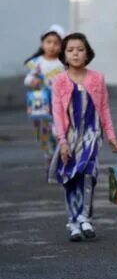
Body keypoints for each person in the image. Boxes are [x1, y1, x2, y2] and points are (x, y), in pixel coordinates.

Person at [49, 33, 117, 242]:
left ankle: (85, 216)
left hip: (91, 136)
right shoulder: (59, 81)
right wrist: (62, 142)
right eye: (70, 50)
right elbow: (57, 114)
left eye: (80, 49)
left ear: (87, 53)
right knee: (71, 179)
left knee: (89, 173)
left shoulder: (97, 78)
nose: (75, 53)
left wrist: (111, 135)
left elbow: (104, 108)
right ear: (64, 54)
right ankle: (73, 222)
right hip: (69, 138)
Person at [23, 24, 66, 170]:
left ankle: (59, 156)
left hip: (59, 104)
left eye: (56, 43)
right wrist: (32, 81)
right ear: (42, 43)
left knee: (58, 130)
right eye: (48, 42)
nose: (52, 46)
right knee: (42, 133)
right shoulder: (36, 63)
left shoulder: (63, 64)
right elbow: (28, 78)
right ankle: (48, 155)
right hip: (40, 104)